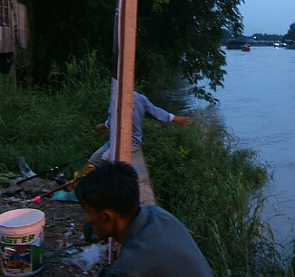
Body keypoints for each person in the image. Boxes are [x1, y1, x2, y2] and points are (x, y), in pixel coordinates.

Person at [75, 161, 213, 277]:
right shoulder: (158, 214)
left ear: (107, 217)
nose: (87, 218)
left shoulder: (129, 268)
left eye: (88, 212)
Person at [86, 91, 191, 168]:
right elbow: (112, 120)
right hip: (113, 142)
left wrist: (172, 118)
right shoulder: (119, 98)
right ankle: (75, 186)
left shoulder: (138, 99)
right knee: (93, 159)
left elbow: (154, 111)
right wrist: (173, 118)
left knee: (105, 160)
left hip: (130, 143)